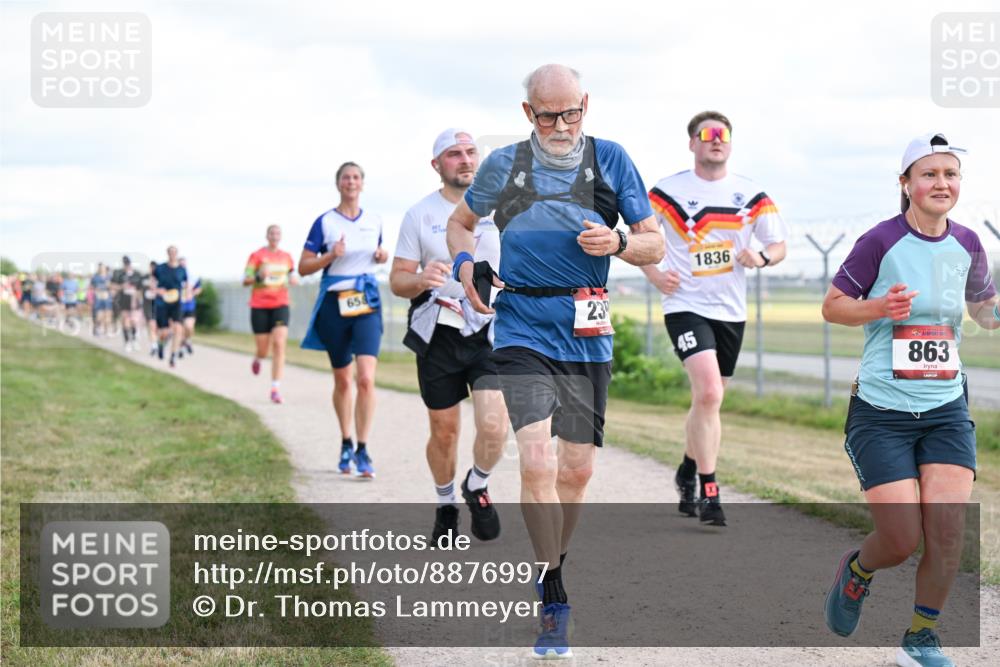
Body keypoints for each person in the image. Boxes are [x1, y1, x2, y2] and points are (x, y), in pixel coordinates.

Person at [448, 64, 664, 659]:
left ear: (586, 105)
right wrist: (468, 267)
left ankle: (552, 560)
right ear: (528, 115)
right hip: (519, 323)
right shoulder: (504, 166)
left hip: (586, 329)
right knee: (537, 458)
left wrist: (620, 243)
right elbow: (460, 224)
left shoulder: (611, 159)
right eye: (550, 115)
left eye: (573, 112)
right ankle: (553, 592)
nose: (563, 125)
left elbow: (655, 242)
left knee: (576, 472)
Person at [821, 133, 998, 667]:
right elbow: (833, 307)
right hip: (882, 412)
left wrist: (995, 313)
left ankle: (921, 638)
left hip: (945, 408)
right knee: (900, 540)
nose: (941, 183)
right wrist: (879, 308)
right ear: (906, 185)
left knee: (947, 532)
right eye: (929, 174)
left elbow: (982, 309)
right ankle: (858, 571)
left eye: (950, 174)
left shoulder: (968, 243)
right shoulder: (881, 241)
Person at [643, 111, 788, 526]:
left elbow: (778, 245)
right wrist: (654, 274)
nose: (715, 141)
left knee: (710, 399)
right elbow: (641, 238)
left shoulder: (752, 195)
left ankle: (687, 469)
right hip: (684, 304)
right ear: (692, 143)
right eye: (705, 135)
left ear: (730, 142)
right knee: (708, 393)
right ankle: (710, 490)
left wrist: (760, 257)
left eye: (722, 135)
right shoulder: (666, 194)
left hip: (730, 311)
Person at [391, 128, 508, 545]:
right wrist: (420, 278)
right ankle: (445, 505)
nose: (465, 160)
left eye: (471, 152)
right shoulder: (419, 215)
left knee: (494, 424)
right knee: (445, 431)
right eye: (454, 154)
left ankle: (476, 485)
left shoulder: (501, 208)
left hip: (489, 330)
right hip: (438, 330)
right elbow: (397, 281)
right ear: (437, 165)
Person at [300, 162, 388, 478]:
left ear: (362, 184)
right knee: (342, 379)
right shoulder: (324, 222)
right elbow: (303, 267)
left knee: (365, 377)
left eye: (355, 177)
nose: (351, 182)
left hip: (366, 302)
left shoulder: (375, 220)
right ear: (338, 184)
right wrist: (330, 255)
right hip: (335, 305)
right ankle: (346, 441)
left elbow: (378, 252)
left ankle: (363, 449)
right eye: (345, 177)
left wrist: (382, 256)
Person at [244, 224, 298, 404]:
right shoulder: (256, 256)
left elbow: (292, 272)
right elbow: (246, 280)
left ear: (280, 236)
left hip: (280, 303)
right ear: (267, 236)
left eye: (277, 233)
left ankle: (275, 388)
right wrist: (259, 276)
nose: (275, 236)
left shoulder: (286, 257)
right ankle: (258, 358)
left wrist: (293, 278)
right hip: (259, 305)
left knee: (279, 343)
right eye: (272, 233)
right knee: (263, 349)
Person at [154, 246, 188, 368]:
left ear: (177, 254)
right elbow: (152, 282)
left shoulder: (181, 269)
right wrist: (157, 290)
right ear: (168, 253)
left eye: (175, 252)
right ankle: (161, 344)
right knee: (164, 332)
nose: (173, 254)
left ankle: (173, 355)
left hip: (176, 302)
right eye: (171, 252)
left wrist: (186, 294)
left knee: (178, 328)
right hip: (162, 302)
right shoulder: (160, 268)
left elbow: (186, 284)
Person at [111, 256, 144, 351]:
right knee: (125, 322)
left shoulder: (137, 274)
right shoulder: (119, 274)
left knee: (134, 322)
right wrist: (121, 286)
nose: (127, 266)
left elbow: (140, 289)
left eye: (128, 264)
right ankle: (127, 342)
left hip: (134, 302)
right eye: (125, 264)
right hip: (123, 301)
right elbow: (112, 285)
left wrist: (136, 297)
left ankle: (134, 339)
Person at [178, 257, 202, 358]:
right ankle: (181, 349)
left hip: (189, 307)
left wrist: (192, 293)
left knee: (189, 327)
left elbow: (199, 288)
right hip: (177, 307)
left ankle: (187, 340)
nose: (183, 266)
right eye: (181, 264)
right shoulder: (174, 276)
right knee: (180, 330)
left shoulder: (192, 277)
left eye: (184, 264)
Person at [90, 264, 113, 336]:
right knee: (99, 315)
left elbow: (112, 286)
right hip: (98, 296)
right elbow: (91, 287)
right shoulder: (95, 277)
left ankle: (107, 331)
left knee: (108, 314)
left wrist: (110, 287)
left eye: (103, 268)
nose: (102, 269)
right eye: (101, 268)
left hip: (107, 296)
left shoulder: (109, 277)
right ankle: (98, 328)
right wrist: (94, 291)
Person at [142, 261, 158, 355]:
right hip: (147, 305)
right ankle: (154, 345)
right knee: (151, 325)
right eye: (151, 268)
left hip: (158, 305)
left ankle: (158, 342)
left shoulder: (161, 278)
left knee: (157, 327)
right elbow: (138, 290)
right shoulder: (144, 278)